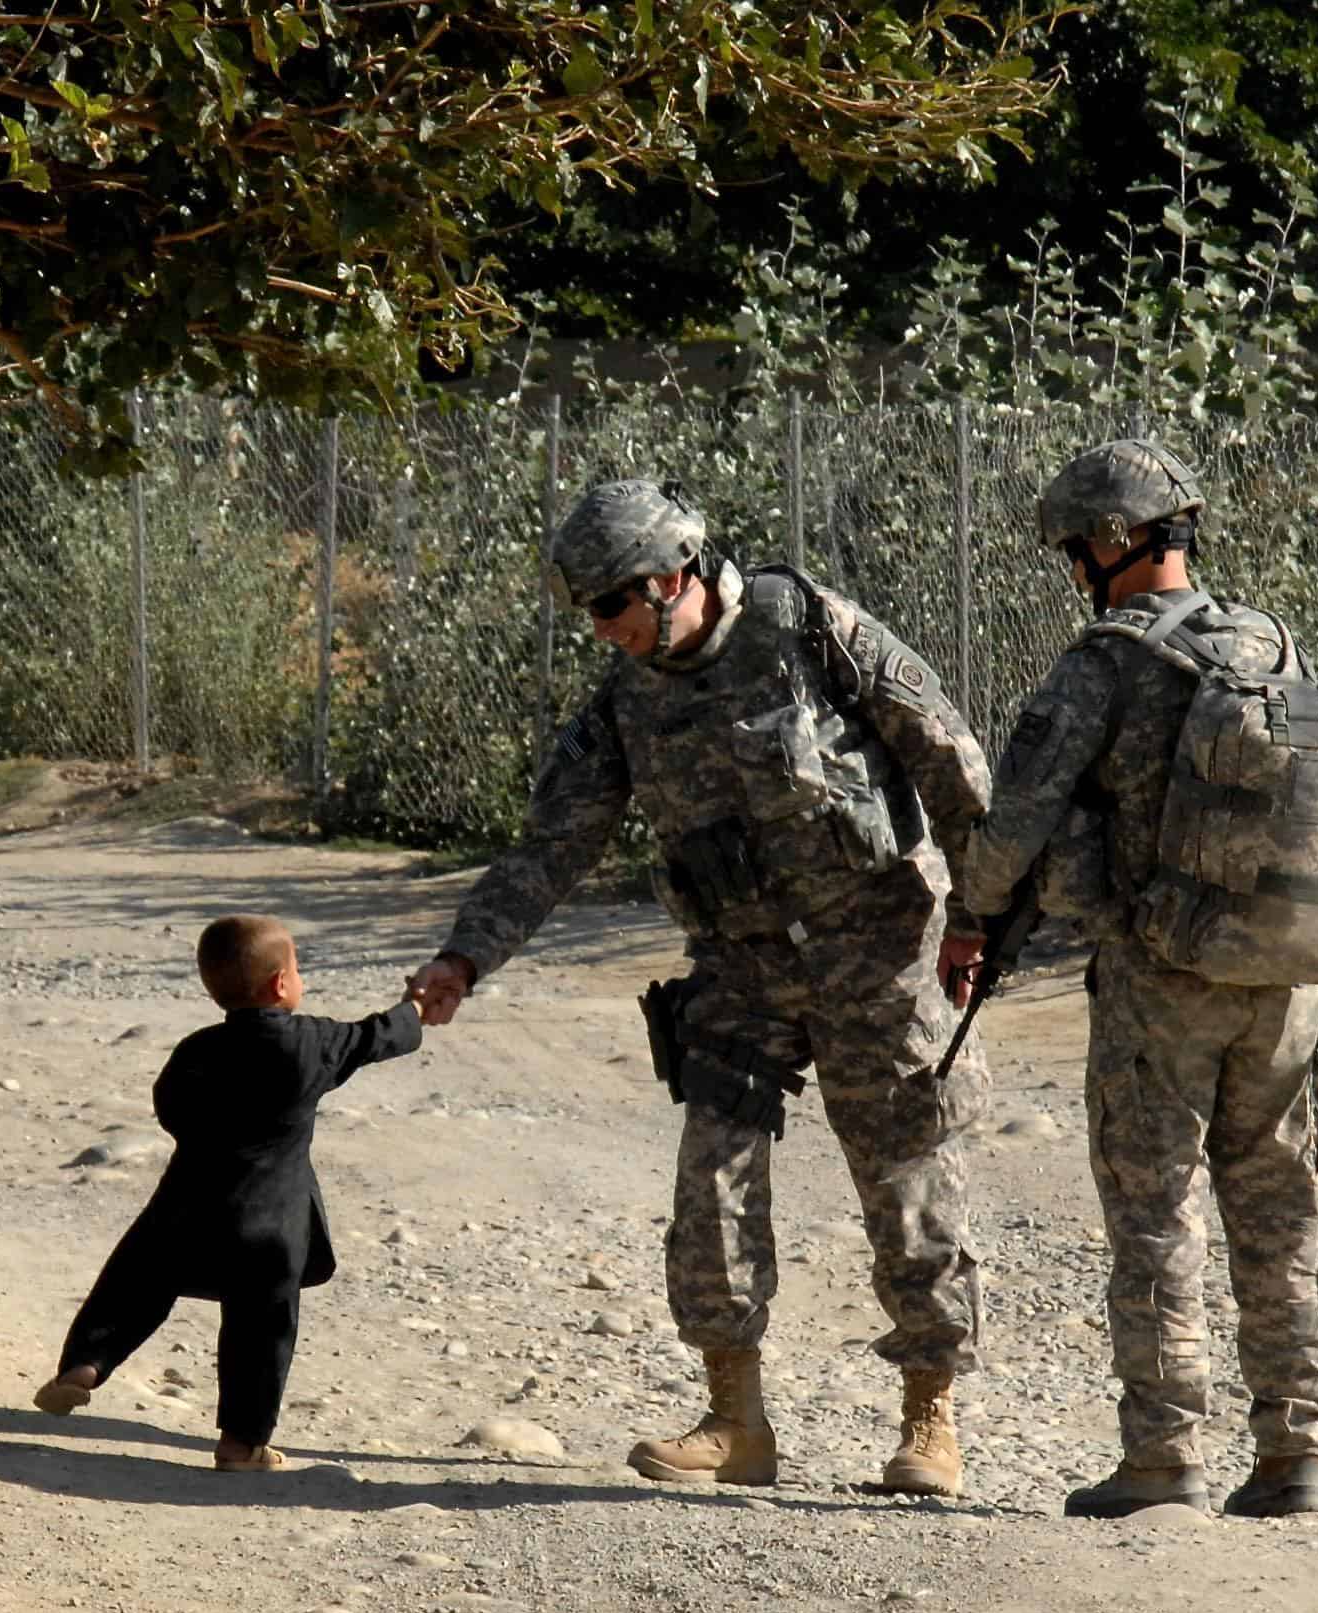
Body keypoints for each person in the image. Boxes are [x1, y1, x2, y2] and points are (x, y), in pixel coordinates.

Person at [406, 479, 993, 1497]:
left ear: (670, 574)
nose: (602, 630)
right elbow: (554, 843)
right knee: (710, 1181)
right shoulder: (626, 699)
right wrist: (465, 956)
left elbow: (946, 758)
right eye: (589, 612)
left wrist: (981, 912)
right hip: (740, 965)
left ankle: (928, 1418)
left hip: (880, 949)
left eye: (609, 605)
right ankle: (735, 1421)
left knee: (905, 1178)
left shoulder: (807, 629)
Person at [960, 439, 1318, 1521]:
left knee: (1155, 1214)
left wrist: (972, 911)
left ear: (1112, 541)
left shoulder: (1104, 662)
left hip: (1159, 977)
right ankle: (1294, 1453)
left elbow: (1017, 817)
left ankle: (1162, 1455)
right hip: (1290, 980)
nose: (1072, 571)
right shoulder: (1273, 642)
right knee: (1280, 1215)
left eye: (1074, 551)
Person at [33, 914, 422, 1471]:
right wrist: (416, 1008)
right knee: (261, 1330)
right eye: (297, 969)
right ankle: (241, 1444)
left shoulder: (196, 1050)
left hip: (186, 1205)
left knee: (134, 1284)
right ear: (280, 984)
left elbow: (169, 1107)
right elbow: (376, 1037)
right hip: (272, 1224)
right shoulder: (311, 1043)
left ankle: (84, 1365)